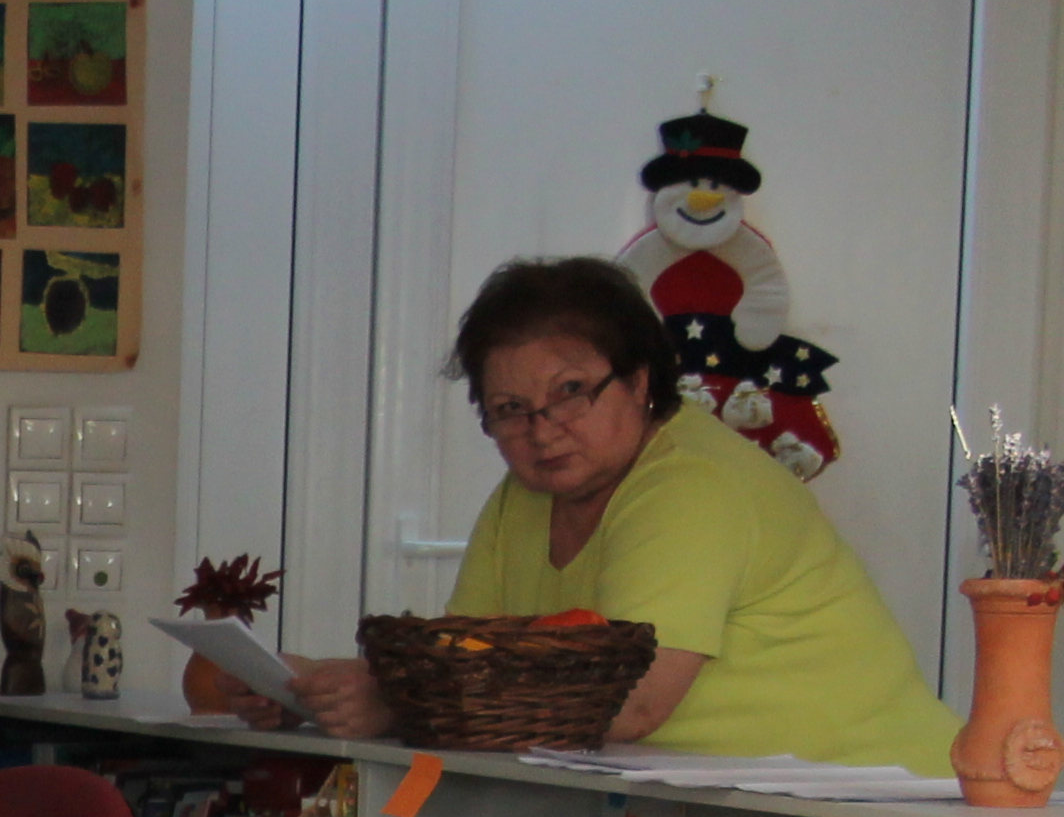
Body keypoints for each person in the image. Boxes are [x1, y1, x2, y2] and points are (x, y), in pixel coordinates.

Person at [280, 255, 954, 768]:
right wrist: (311, 687)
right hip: (723, 803)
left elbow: (630, 703)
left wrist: (390, 703)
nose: (543, 430)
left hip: (878, 812)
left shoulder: (690, 485)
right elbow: (464, 661)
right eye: (510, 410)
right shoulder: (523, 497)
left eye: (571, 391)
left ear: (638, 381)